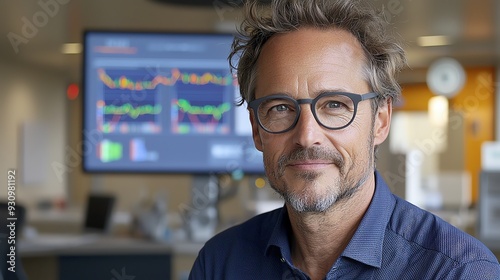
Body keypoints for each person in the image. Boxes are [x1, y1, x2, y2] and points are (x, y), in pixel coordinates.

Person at [189, 0, 500, 279]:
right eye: (281, 108)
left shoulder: (458, 270)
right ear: (257, 129)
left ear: (380, 120)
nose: (307, 136)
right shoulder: (220, 263)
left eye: (335, 105)